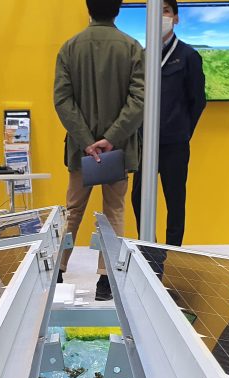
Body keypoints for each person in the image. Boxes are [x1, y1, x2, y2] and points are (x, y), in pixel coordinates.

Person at [54, 0, 145, 301]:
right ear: (118, 9)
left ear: (88, 8)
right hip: (117, 150)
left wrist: (86, 140)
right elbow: (139, 100)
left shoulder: (70, 47)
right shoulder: (132, 48)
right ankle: (106, 280)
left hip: (81, 151)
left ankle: (57, 271)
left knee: (73, 210)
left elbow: (62, 100)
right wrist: (112, 138)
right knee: (114, 211)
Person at [131, 0, 206, 248]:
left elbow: (197, 101)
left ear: (175, 18)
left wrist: (183, 130)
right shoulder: (142, 56)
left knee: (175, 201)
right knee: (138, 198)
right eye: (158, 10)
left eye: (166, 10)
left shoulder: (188, 56)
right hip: (144, 144)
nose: (161, 15)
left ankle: (173, 252)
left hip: (175, 144)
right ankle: (149, 248)